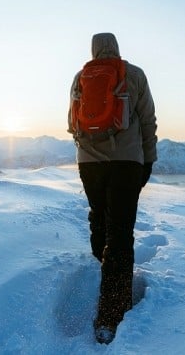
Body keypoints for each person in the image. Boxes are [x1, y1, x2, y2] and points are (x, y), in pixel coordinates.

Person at [67, 32, 158, 344]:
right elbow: (148, 121)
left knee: (100, 216)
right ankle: (112, 314)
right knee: (120, 233)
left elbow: (72, 121)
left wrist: (88, 155)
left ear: (93, 50)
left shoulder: (81, 77)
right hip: (126, 163)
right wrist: (147, 161)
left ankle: (100, 269)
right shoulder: (134, 75)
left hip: (89, 164)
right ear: (117, 47)